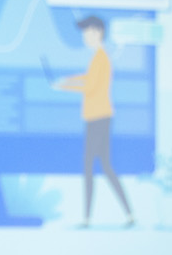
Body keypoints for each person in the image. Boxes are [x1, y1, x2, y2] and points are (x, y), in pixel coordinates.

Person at [51, 15, 132, 227]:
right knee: (105, 166)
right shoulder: (98, 58)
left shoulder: (102, 58)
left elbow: (90, 87)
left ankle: (87, 218)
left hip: (98, 118)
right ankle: (129, 215)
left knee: (90, 166)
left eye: (87, 32)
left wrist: (64, 86)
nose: (85, 37)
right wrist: (68, 79)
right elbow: (87, 77)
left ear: (98, 32)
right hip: (99, 117)